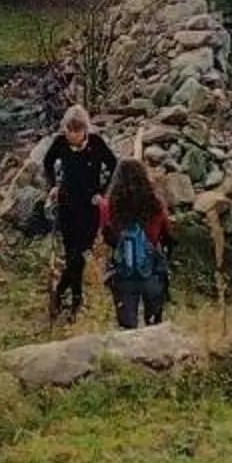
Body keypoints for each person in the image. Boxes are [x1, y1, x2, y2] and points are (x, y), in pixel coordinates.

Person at [40, 105, 119, 322]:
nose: (73, 136)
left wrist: (103, 192)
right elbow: (47, 163)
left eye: (77, 131)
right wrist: (53, 186)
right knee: (72, 255)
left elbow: (113, 165)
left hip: (89, 207)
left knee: (80, 254)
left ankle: (59, 291)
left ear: (85, 129)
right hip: (67, 205)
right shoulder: (60, 143)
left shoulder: (96, 143)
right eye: (70, 131)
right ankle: (76, 299)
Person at [98, 158, 171, 329]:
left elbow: (106, 235)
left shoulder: (109, 206)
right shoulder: (155, 204)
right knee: (154, 324)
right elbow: (167, 233)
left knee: (127, 327)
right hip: (152, 270)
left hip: (122, 271)